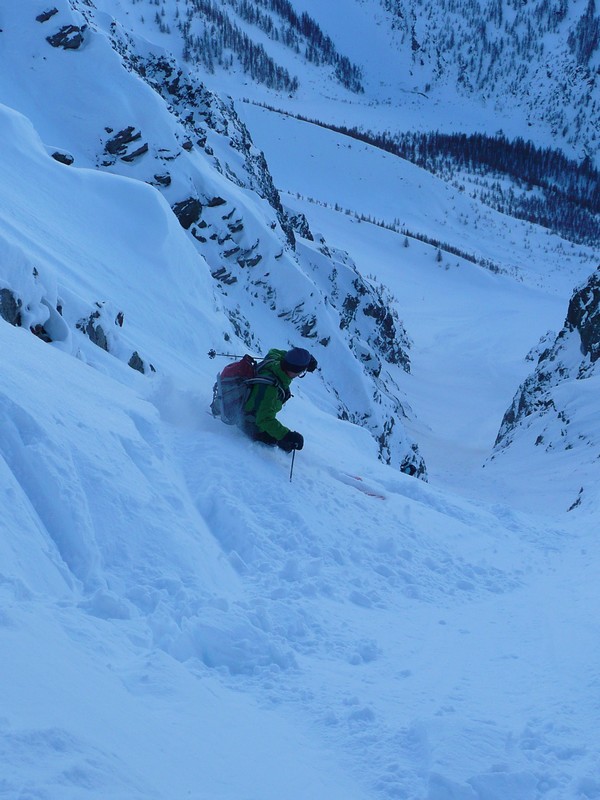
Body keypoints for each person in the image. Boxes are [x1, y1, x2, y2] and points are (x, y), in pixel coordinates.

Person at [240, 347, 317, 452]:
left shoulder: (274, 361)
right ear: (295, 372)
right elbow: (264, 419)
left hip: (253, 409)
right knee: (282, 442)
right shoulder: (270, 388)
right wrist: (287, 435)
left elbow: (275, 351)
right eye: (301, 372)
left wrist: (307, 360)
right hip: (249, 423)